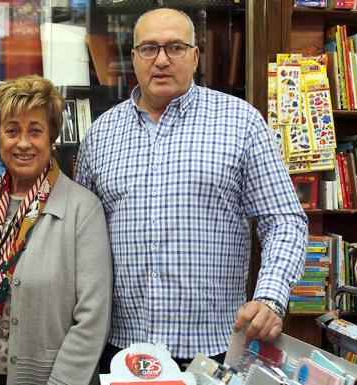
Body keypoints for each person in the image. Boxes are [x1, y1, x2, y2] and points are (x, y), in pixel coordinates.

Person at [75, 8, 308, 371]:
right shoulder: (100, 135)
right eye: (149, 48)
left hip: (212, 350)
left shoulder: (240, 123)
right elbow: (81, 238)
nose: (162, 59)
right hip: (120, 347)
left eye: (176, 47)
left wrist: (271, 297)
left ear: (195, 56)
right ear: (133, 58)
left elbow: (285, 221)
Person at [0, 74, 112, 385]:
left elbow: (92, 318)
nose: (24, 143)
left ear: (52, 136)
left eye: (36, 130)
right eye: (12, 130)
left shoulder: (82, 209)